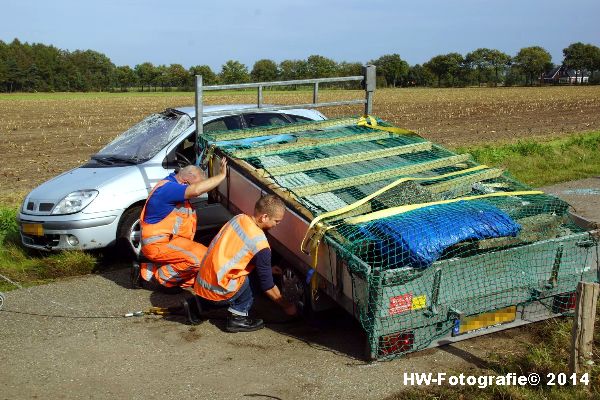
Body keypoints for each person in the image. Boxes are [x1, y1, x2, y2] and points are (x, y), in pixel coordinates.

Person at [191, 194, 297, 332]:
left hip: (203, 282)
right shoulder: (261, 245)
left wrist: (267, 269)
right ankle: (238, 317)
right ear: (264, 217)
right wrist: (287, 306)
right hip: (219, 289)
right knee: (256, 280)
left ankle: (197, 304)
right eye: (277, 221)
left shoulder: (239, 218)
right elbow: (268, 286)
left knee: (253, 274)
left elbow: (235, 254)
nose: (277, 225)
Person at [139, 158, 227, 289]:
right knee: (201, 258)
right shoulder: (168, 189)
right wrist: (221, 176)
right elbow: (196, 190)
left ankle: (148, 271)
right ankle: (162, 279)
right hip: (159, 245)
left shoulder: (172, 185)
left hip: (168, 242)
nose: (201, 191)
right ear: (188, 179)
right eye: (199, 183)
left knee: (197, 270)